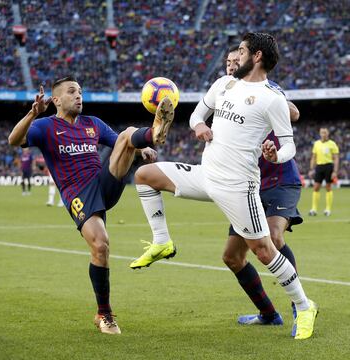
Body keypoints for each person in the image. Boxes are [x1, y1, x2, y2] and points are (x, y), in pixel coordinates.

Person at [131, 33, 318, 340]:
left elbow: (289, 147)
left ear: (256, 57)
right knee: (145, 176)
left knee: (264, 250)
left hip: (238, 186)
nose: (234, 59)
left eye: (241, 52)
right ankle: (162, 241)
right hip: (206, 175)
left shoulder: (272, 99)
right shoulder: (224, 84)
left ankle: (303, 305)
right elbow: (195, 115)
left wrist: (275, 153)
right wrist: (200, 125)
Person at [8, 76, 174, 335]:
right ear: (56, 100)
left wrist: (143, 151)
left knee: (128, 133)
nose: (78, 96)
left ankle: (155, 133)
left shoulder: (92, 123)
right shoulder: (44, 126)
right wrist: (32, 114)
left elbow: (120, 142)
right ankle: (104, 314)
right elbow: (14, 140)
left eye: (80, 92)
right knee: (100, 245)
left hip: (103, 181)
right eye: (72, 92)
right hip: (78, 193)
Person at [223, 46, 303, 335]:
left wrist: (278, 99)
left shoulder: (267, 91)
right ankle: (268, 314)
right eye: (228, 62)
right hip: (247, 187)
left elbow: (294, 112)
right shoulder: (224, 100)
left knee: (273, 236)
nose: (232, 65)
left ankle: (300, 308)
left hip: (281, 179)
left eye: (237, 60)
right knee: (232, 257)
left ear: (249, 61)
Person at [308, 127, 339, 216]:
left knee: (328, 187)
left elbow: (336, 158)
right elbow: (313, 157)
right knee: (316, 187)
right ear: (320, 133)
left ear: (328, 133)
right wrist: (311, 169)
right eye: (322, 132)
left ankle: (328, 209)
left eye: (325, 132)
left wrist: (335, 171)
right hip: (319, 166)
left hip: (329, 166)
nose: (323, 134)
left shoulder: (332, 144)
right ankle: (314, 209)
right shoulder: (316, 144)